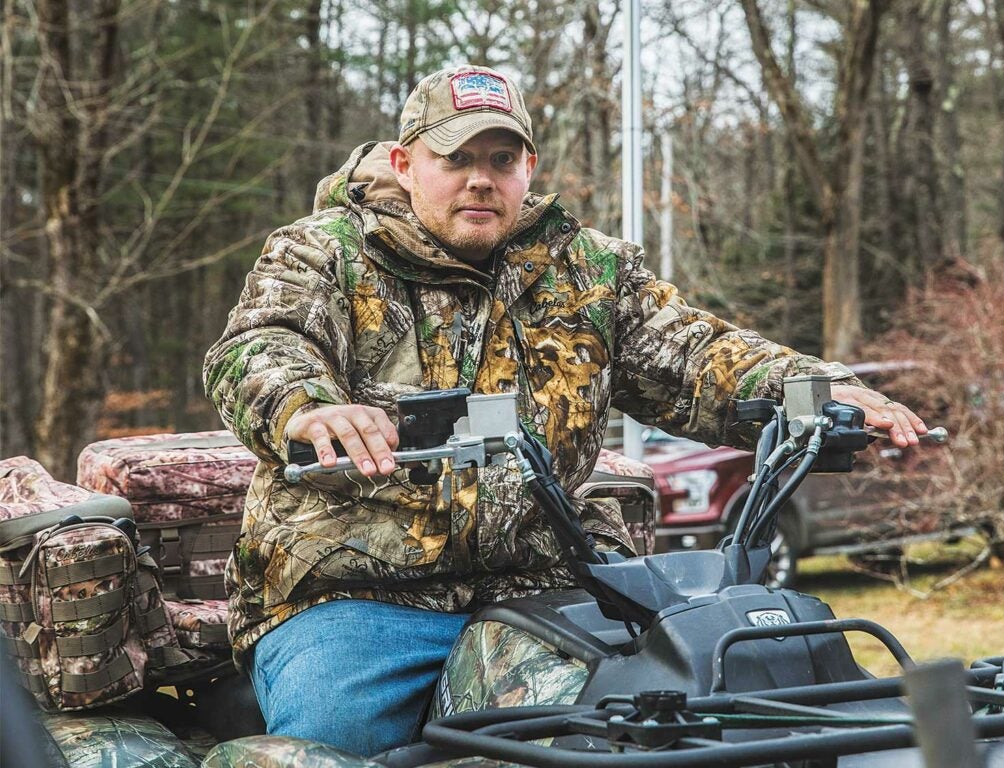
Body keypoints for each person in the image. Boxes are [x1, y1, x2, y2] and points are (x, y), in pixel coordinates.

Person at [203, 64, 928, 756]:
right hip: (355, 595)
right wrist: (306, 407)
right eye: (456, 158)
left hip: (544, 580)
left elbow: (703, 357)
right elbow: (261, 345)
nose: (480, 178)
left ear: (530, 167)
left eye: (502, 157)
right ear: (403, 163)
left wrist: (820, 391)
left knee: (645, 719)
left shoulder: (589, 272)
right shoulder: (323, 253)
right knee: (338, 737)